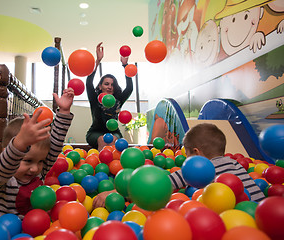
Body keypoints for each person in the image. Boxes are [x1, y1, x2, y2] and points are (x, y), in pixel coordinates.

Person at [93, 122, 266, 209]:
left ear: (196, 154)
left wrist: (116, 192)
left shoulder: (195, 171)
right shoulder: (235, 163)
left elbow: (155, 187)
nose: (185, 160)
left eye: (187, 154)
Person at [0, 88, 74, 219]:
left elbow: (53, 147)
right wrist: (19, 144)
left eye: (41, 161)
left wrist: (64, 112)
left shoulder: (36, 174)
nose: (35, 168)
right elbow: (4, 168)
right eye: (28, 161)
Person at [169, 123, 266, 202]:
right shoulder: (234, 163)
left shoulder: (198, 169)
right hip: (262, 210)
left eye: (187, 155)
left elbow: (166, 183)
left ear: (196, 152)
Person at [86, 42, 133, 151]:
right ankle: (101, 167)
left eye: (112, 85)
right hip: (95, 133)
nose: (109, 87)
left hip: (114, 132)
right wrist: (97, 61)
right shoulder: (95, 99)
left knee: (112, 140)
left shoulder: (118, 100)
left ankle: (113, 167)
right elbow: (88, 83)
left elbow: (129, 88)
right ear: (100, 86)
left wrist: (125, 65)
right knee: (103, 140)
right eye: (106, 84)